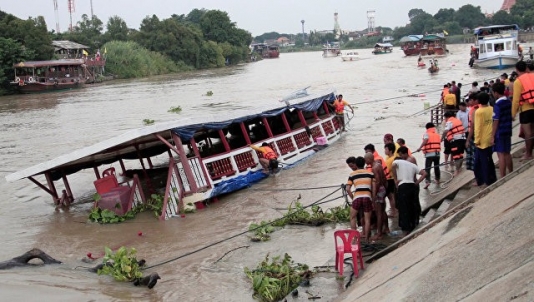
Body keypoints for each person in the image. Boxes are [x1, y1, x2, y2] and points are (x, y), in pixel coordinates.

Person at [390, 147, 427, 235]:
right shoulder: (412, 165)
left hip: (403, 186)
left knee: (403, 208)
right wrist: (417, 182)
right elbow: (425, 173)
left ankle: (406, 230)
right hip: (412, 186)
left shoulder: (397, 161)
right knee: (411, 206)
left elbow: (393, 166)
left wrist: (395, 179)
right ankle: (413, 225)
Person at [345, 156, 376, 242]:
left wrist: (353, 198)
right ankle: (367, 239)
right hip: (367, 197)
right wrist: (372, 200)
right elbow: (373, 188)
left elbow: (347, 189)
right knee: (367, 219)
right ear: (364, 164)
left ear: (356, 164)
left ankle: (355, 238)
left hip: (357, 197)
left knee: (352, 217)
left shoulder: (352, 175)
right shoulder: (370, 174)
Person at [512, 60, 534, 161]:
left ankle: (528, 154)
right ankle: (529, 152)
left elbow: (516, 100)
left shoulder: (518, 81)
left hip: (526, 110)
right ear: (526, 68)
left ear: (516, 70)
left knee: (528, 134)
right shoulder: (533, 76)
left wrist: (513, 114)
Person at [473, 92, 497, 188]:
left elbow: (478, 128)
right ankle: (488, 179)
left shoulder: (479, 112)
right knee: (487, 161)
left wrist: (476, 140)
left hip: (482, 140)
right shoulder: (492, 109)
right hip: (490, 137)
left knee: (482, 163)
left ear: (479, 101)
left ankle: (486, 181)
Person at [364, 153, 389, 240]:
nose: (365, 162)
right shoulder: (379, 164)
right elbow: (384, 179)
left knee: (378, 213)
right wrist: (385, 189)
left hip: (379, 190)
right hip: (383, 188)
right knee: (382, 210)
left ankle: (379, 233)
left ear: (369, 159)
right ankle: (386, 228)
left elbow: (377, 181)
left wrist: (374, 195)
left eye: (366, 160)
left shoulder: (374, 168)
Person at [492, 82, 513, 177]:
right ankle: (511, 172)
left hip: (500, 131)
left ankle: (502, 176)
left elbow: (496, 121)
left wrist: (492, 136)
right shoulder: (508, 101)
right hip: (508, 129)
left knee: (500, 154)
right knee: (507, 153)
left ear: (496, 93)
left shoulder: (497, 105)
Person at [416, 122, 441, 189]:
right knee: (436, 167)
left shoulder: (426, 134)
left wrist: (420, 148)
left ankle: (427, 182)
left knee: (427, 168)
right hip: (437, 154)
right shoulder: (437, 134)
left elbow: (426, 140)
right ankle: (437, 180)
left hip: (429, 154)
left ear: (427, 128)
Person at [383, 143, 397, 217]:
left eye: (386, 149)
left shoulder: (392, 159)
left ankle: (393, 211)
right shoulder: (387, 158)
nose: (385, 151)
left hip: (390, 179)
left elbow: (387, 169)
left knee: (390, 196)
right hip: (389, 179)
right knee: (390, 196)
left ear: (390, 150)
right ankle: (393, 210)